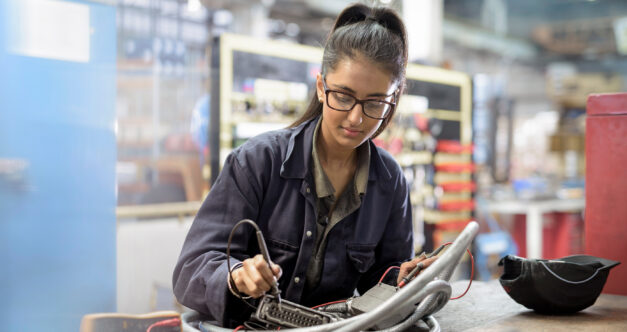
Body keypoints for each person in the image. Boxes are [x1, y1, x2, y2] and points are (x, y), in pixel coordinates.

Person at [172, 3, 436, 328]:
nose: (356, 117)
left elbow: (381, 282)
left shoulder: (390, 181)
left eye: (375, 103)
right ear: (322, 87)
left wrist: (402, 281)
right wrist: (236, 275)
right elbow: (191, 268)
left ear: (392, 101)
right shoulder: (258, 162)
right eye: (344, 96)